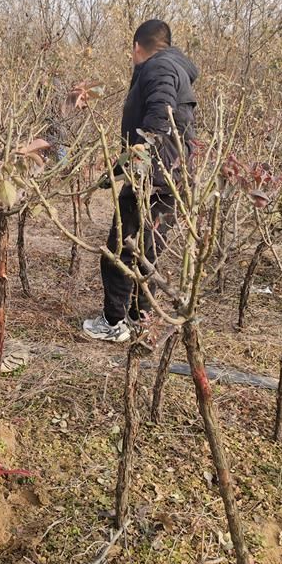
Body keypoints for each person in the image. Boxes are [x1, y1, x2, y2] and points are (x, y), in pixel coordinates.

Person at [83, 19, 198, 342]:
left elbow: (160, 117)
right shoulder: (176, 68)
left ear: (137, 47)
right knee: (147, 251)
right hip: (172, 178)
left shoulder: (158, 68)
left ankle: (113, 321)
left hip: (153, 177)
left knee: (121, 249)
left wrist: (137, 162)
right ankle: (139, 318)